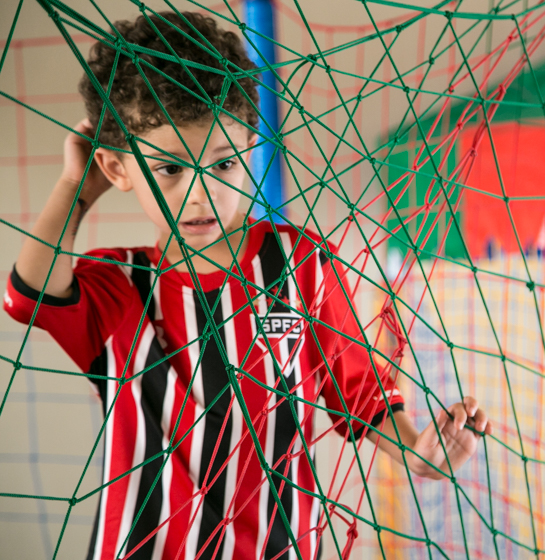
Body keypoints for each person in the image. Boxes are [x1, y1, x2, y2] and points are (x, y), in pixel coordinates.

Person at [3, 11, 491, 560]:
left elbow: (357, 393)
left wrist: (418, 450)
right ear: (119, 170)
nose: (200, 193)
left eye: (223, 163)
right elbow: (28, 293)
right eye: (169, 169)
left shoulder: (298, 261)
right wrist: (76, 185)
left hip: (276, 545)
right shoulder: (120, 286)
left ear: (250, 149)